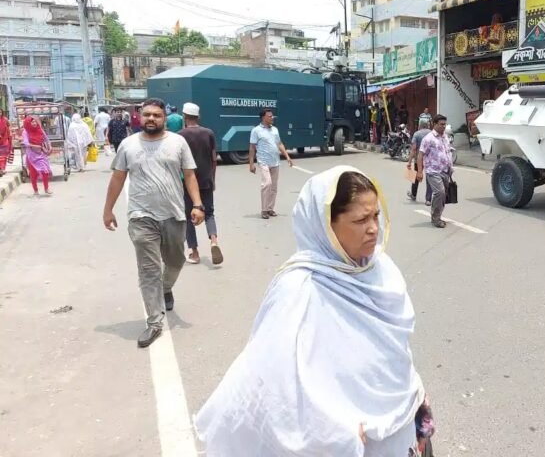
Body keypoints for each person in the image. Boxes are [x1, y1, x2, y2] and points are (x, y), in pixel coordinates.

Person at [194, 167, 432, 457]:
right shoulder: (299, 288)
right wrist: (330, 430)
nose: (373, 228)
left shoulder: (382, 269)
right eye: (360, 220)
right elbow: (271, 383)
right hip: (353, 444)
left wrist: (415, 396)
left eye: (375, 216)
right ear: (326, 226)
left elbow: (395, 353)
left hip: (400, 430)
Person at [102, 98, 205, 348]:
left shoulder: (177, 143)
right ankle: (154, 322)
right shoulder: (128, 145)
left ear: (164, 119)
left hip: (173, 214)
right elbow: (117, 178)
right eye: (147, 114)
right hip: (141, 216)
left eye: (156, 115)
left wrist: (198, 205)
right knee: (148, 270)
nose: (151, 119)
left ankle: (166, 287)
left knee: (175, 261)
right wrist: (108, 210)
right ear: (140, 116)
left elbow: (190, 175)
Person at [179, 102, 223, 266]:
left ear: (184, 117)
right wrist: (213, 178)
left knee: (189, 215)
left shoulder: (180, 135)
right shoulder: (209, 133)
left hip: (188, 182)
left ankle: (195, 252)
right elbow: (213, 158)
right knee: (209, 213)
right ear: (198, 117)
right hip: (206, 180)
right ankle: (213, 241)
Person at [249, 109, 293, 219]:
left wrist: (287, 157)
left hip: (275, 161)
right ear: (263, 118)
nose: (272, 118)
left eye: (272, 116)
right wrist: (251, 163)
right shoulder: (256, 130)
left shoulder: (275, 130)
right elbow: (252, 147)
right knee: (267, 184)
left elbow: (279, 143)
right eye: (269, 116)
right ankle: (264, 210)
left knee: (274, 187)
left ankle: (270, 209)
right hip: (263, 162)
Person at [417, 114, 453, 229]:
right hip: (433, 171)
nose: (443, 127)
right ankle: (435, 218)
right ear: (435, 124)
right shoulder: (428, 139)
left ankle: (438, 215)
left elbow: (448, 152)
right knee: (439, 192)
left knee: (444, 195)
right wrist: (419, 171)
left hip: (445, 171)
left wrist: (451, 167)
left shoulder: (445, 137)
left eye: (445, 124)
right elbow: (420, 155)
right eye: (441, 124)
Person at [21, 116, 53, 195]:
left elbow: (46, 139)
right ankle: (35, 190)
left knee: (45, 171)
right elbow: (26, 143)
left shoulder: (40, 129)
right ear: (28, 123)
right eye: (32, 122)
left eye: (35, 121)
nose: (34, 123)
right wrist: (35, 146)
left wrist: (50, 146)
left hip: (41, 153)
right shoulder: (25, 131)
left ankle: (46, 188)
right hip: (31, 155)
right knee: (33, 174)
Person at [407, 118, 433, 205]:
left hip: (419, 159)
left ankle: (413, 194)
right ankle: (428, 199)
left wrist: (409, 162)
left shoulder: (417, 134)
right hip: (430, 159)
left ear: (420, 125)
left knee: (415, 177)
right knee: (429, 178)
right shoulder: (432, 133)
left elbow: (413, 149)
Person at [0, 109, 13, 176]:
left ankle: (2, 169)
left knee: (4, 156)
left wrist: (10, 134)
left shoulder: (5, 119)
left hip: (5, 140)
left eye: (0, 112)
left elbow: (9, 127)